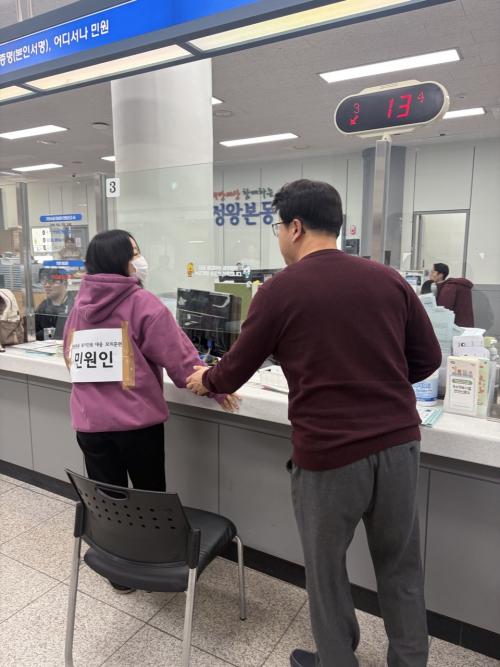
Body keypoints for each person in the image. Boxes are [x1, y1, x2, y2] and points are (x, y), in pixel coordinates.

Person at [186, 179, 441, 667]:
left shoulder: (280, 290)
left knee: (327, 572)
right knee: (401, 566)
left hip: (330, 455)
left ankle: (337, 659)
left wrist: (206, 379)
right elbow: (427, 359)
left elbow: (234, 370)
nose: (280, 238)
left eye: (279, 228)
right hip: (399, 445)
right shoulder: (389, 279)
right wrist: (376, 379)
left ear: (296, 227)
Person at [63, 230, 237, 590]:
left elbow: (70, 356)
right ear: (119, 261)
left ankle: (120, 572)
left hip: (90, 424)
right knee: (150, 499)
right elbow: (181, 360)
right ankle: (154, 564)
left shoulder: (78, 307)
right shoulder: (143, 304)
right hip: (137, 426)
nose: (139, 259)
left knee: (108, 501)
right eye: (134, 253)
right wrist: (217, 387)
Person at [429, 262, 474, 327]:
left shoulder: (449, 288)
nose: (430, 274)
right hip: (465, 325)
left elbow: (443, 310)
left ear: (440, 275)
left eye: (433, 272)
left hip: (457, 327)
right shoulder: (453, 285)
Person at [35, 272, 75, 340]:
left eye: (52, 281)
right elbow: (33, 333)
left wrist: (46, 334)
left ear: (64, 283)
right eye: (44, 281)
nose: (47, 285)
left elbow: (71, 333)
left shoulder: (74, 305)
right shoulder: (43, 305)